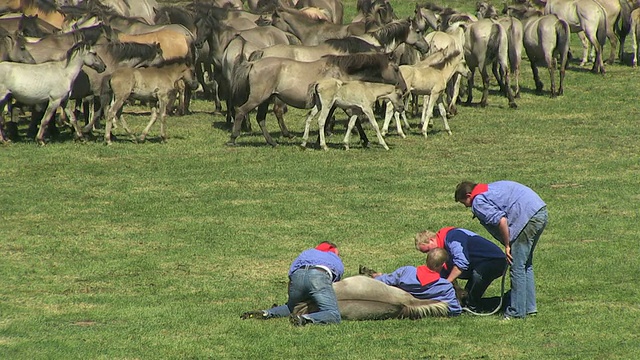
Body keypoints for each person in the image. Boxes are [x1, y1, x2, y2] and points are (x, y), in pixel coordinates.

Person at [454, 180, 548, 320]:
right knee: (525, 265)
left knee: (516, 267)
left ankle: (516, 312)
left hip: (527, 218)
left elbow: (501, 220)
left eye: (464, 202)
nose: (466, 206)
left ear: (469, 195)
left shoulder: (478, 201)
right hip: (539, 211)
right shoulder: (491, 188)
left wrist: (507, 245)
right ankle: (529, 308)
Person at [240, 241, 344, 326]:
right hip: (319, 275)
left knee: (292, 307)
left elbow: (291, 274)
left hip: (298, 274)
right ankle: (304, 319)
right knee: (333, 314)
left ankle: (267, 313)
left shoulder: (307, 252)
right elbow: (335, 286)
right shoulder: (334, 258)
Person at [415, 227, 508, 312]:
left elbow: (462, 263)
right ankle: (480, 304)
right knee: (465, 299)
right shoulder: (442, 248)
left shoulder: (452, 237)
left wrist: (447, 283)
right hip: (476, 264)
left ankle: (474, 308)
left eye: (428, 250)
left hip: (495, 261)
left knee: (474, 284)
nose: (429, 253)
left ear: (431, 240)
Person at [370, 248, 462, 316]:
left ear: (427, 260)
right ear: (443, 265)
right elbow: (455, 310)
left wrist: (378, 276)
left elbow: (385, 280)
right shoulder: (444, 286)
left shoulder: (406, 271)